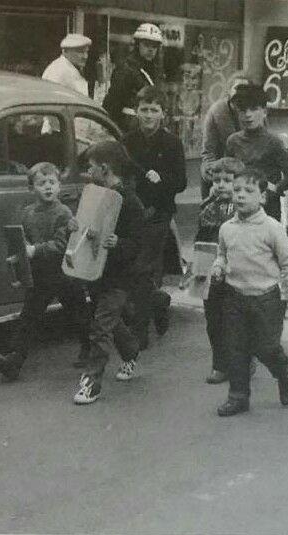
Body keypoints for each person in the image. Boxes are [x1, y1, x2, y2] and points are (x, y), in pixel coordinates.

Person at [211, 165, 288, 417]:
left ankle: (283, 371)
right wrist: (219, 266)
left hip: (266, 299)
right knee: (236, 348)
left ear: (262, 197)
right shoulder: (226, 228)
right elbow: (221, 254)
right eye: (237, 189)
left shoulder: (272, 228)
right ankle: (238, 396)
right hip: (234, 297)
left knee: (266, 347)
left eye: (249, 191)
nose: (240, 195)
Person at [0, 162, 90, 380]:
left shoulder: (63, 212)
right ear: (31, 188)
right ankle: (14, 360)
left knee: (79, 313)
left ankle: (90, 348)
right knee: (28, 318)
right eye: (42, 183)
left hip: (64, 273)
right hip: (41, 275)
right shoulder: (27, 213)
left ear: (59, 187)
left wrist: (34, 250)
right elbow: (23, 241)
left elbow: (61, 245)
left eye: (52, 182)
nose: (48, 187)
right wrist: (21, 253)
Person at [73, 141, 144, 405]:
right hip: (97, 271)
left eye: (91, 168)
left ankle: (92, 382)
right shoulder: (97, 196)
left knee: (100, 327)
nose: (88, 173)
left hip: (120, 277)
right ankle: (131, 350)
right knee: (108, 322)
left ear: (104, 169)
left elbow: (138, 244)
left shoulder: (130, 202)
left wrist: (120, 244)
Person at [123, 85, 186, 347]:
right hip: (132, 214)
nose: (148, 115)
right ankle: (159, 302)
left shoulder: (172, 143)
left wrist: (161, 180)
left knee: (143, 270)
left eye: (154, 110)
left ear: (163, 114)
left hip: (158, 215)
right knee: (130, 270)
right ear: (137, 112)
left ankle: (139, 334)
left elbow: (181, 182)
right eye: (144, 110)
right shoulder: (128, 141)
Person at [224, 84, 288, 222]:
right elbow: (227, 172)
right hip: (239, 206)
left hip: (267, 209)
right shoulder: (232, 141)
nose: (248, 115)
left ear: (264, 111)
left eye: (253, 109)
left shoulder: (274, 142)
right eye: (242, 110)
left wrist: (276, 188)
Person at [195, 157, 240, 385]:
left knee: (235, 319)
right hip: (211, 272)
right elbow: (202, 240)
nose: (221, 185)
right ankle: (220, 363)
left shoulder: (243, 208)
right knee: (213, 319)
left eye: (227, 180)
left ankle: (242, 360)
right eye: (217, 180)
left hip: (236, 272)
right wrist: (197, 270)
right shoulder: (207, 207)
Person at [199, 73, 254, 198]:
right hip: (218, 169)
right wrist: (218, 179)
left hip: (246, 171)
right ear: (229, 92)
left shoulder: (254, 112)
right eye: (237, 89)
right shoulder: (218, 111)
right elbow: (208, 152)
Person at [102, 22, 163, 131]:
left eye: (154, 46)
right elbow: (113, 103)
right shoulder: (126, 69)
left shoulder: (155, 70)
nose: (151, 50)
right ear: (137, 45)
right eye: (146, 45)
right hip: (128, 128)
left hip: (148, 128)